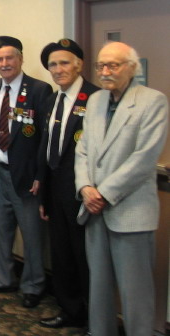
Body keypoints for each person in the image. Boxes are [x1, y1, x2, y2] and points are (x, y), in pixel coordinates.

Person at [75, 41, 168, 336]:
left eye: (112, 65)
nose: (104, 71)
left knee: (135, 293)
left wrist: (103, 193)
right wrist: (85, 188)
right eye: (100, 65)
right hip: (93, 209)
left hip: (129, 211)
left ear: (132, 66)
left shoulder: (153, 101)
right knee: (99, 288)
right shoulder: (96, 100)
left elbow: (144, 158)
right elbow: (83, 150)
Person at [0, 36, 52, 308]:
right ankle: (2, 279)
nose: (4, 63)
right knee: (1, 230)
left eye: (10, 58)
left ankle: (33, 285)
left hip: (26, 178)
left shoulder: (39, 90)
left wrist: (39, 176)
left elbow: (45, 138)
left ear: (21, 59)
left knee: (31, 234)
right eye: (0, 59)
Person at [36, 39, 99, 329]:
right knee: (62, 257)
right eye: (52, 64)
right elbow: (46, 150)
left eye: (64, 62)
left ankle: (95, 319)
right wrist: (44, 196)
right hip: (56, 191)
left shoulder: (97, 99)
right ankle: (69, 310)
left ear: (79, 64)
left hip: (85, 192)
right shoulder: (51, 101)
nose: (58, 69)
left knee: (87, 259)